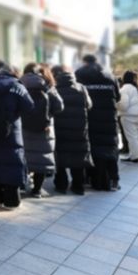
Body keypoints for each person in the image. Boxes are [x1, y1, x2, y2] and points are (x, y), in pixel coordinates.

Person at [0, 61, 34, 209]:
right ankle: (11, 201)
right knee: (12, 163)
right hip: (11, 131)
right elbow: (29, 105)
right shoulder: (16, 85)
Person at [74, 54, 121, 191]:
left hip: (90, 117)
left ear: (84, 62)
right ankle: (113, 179)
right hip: (109, 118)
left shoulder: (80, 74)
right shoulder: (110, 76)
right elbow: (117, 97)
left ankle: (90, 178)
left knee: (91, 148)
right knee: (110, 147)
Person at [20, 63, 64, 198]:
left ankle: (22, 184)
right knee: (41, 158)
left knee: (24, 156)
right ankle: (37, 190)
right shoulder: (48, 87)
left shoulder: (20, 85)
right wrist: (48, 114)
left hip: (23, 127)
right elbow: (59, 107)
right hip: (44, 129)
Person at [51, 65, 93, 195]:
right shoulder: (81, 88)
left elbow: (52, 108)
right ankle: (78, 186)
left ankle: (61, 185)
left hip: (60, 128)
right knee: (78, 157)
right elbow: (89, 105)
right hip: (79, 129)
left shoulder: (55, 89)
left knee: (61, 157)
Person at [117, 70, 138, 163]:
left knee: (132, 137)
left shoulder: (124, 89)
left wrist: (116, 104)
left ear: (124, 78)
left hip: (128, 116)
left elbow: (123, 105)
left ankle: (134, 157)